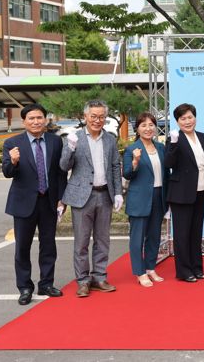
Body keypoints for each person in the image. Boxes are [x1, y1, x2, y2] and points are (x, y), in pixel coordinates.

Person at [2, 104, 67, 305]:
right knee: (22, 247)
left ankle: (46, 283)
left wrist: (61, 198)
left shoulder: (55, 142)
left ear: (45, 120)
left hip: (48, 201)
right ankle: (24, 287)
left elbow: (60, 172)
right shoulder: (12, 143)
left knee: (48, 245)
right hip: (23, 203)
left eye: (40, 117)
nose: (36, 121)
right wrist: (12, 162)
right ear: (24, 122)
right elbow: (7, 173)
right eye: (31, 118)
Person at [60, 99, 123, 297]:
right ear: (85, 116)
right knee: (81, 242)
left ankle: (99, 277)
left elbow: (114, 166)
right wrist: (70, 148)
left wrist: (119, 192)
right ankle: (83, 281)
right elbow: (64, 166)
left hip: (105, 194)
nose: (97, 120)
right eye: (93, 116)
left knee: (103, 239)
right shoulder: (74, 138)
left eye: (101, 116)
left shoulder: (110, 139)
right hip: (81, 196)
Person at [165, 103, 204, 282]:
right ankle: (184, 270)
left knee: (196, 232)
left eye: (190, 117)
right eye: (183, 118)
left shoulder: (202, 136)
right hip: (181, 193)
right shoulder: (175, 138)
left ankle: (197, 267)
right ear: (177, 121)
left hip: (200, 190)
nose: (187, 121)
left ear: (195, 117)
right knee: (182, 234)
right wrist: (173, 144)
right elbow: (169, 163)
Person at [122, 112, 167, 287]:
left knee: (154, 235)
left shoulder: (160, 147)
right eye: (143, 125)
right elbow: (127, 174)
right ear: (137, 129)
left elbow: (166, 173)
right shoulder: (131, 149)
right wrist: (135, 161)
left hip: (158, 195)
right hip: (139, 198)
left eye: (151, 125)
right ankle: (139, 272)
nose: (148, 128)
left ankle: (150, 267)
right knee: (137, 237)